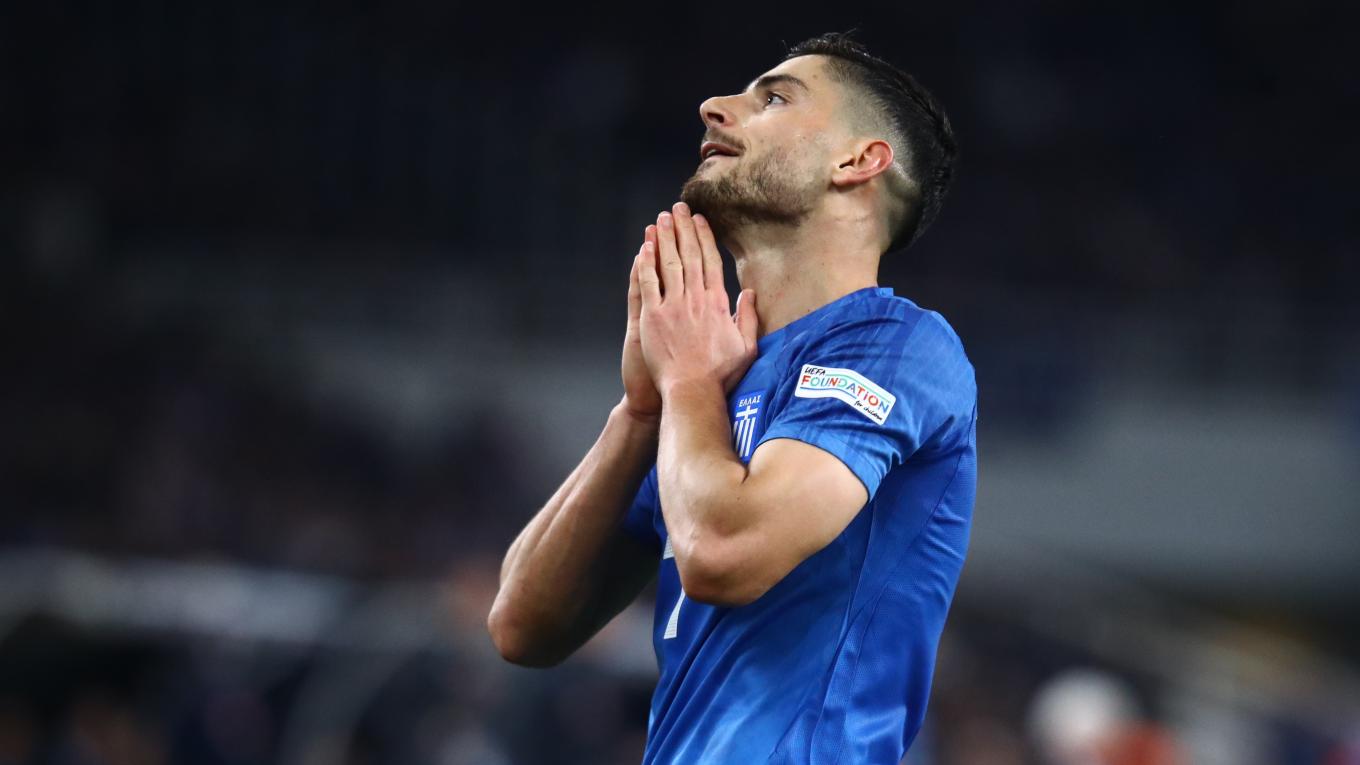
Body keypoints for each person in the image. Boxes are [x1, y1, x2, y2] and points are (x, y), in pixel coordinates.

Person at [487, 31, 976, 764]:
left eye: (773, 98)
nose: (713, 107)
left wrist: (686, 380)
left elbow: (723, 553)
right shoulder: (708, 396)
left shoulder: (897, 345)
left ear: (857, 162)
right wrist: (642, 411)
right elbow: (522, 626)